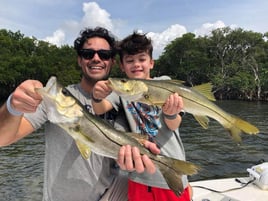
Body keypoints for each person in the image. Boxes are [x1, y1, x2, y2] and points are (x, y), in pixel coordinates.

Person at [0, 27, 159, 201]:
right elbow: (2, 138)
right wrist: (12, 107)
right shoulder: (52, 102)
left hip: (113, 194)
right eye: (88, 53)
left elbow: (147, 137)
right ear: (79, 60)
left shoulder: (123, 102)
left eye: (104, 54)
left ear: (112, 61)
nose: (96, 58)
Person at [92, 32, 192, 201]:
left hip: (171, 172)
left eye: (141, 59)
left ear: (151, 63)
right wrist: (97, 95)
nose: (136, 64)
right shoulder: (121, 91)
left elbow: (174, 125)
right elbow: (100, 108)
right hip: (138, 177)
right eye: (130, 60)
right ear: (122, 66)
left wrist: (171, 113)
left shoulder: (164, 82)